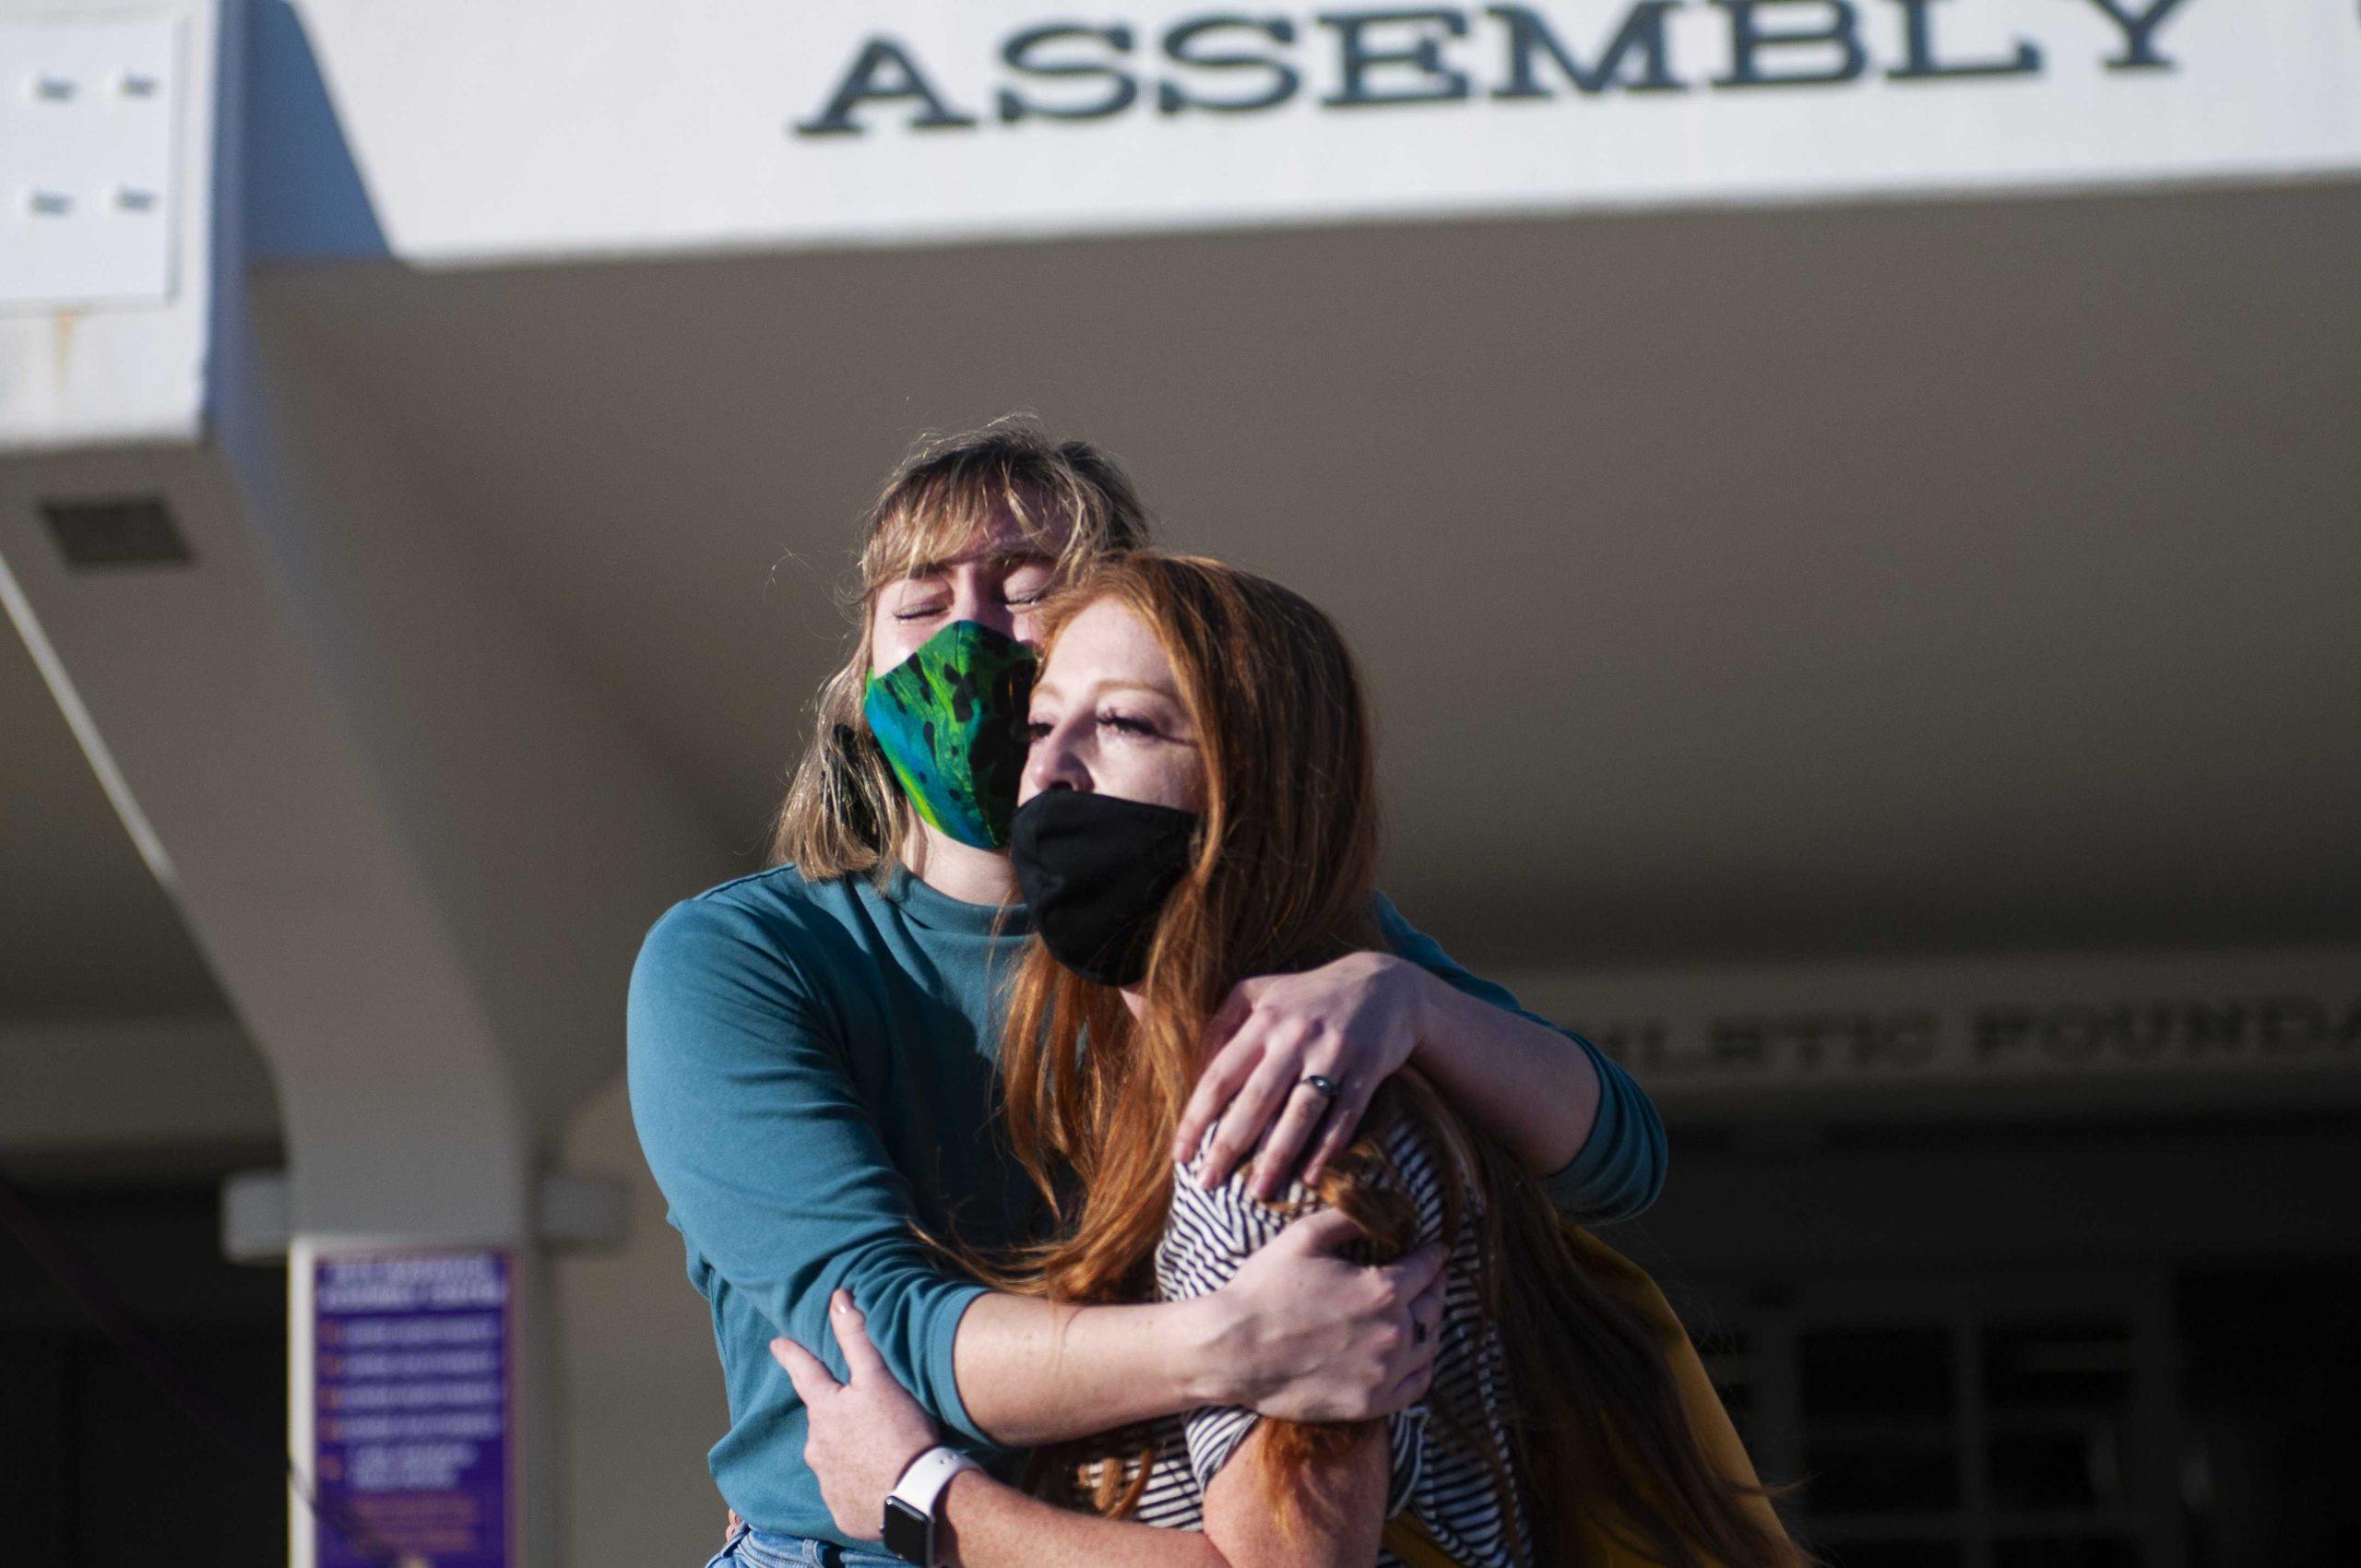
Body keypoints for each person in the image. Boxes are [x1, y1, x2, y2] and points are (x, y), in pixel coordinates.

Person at [627, 421, 1669, 1564]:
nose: (968, 633)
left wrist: (1404, 997)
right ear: (857, 680)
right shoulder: (743, 955)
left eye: (1026, 591)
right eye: (917, 604)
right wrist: (1227, 1345)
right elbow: (881, 1337)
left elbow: (1613, 1155)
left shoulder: (1253, 953)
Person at [775, 552, 1800, 1568]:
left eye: (1124, 723)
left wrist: (920, 1496)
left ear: (1249, 789)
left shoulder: (1272, 1129)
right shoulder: (1230, 1086)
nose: (1047, 772)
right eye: (1042, 725)